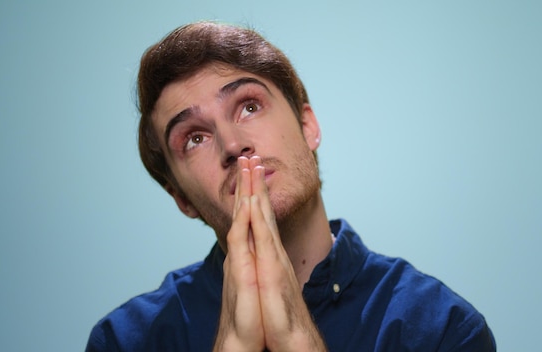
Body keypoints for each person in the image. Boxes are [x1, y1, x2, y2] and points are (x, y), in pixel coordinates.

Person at [86, 21, 496, 351]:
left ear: (307, 126)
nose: (232, 144)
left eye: (249, 106)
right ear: (180, 198)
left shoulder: (442, 330)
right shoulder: (126, 341)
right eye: (194, 138)